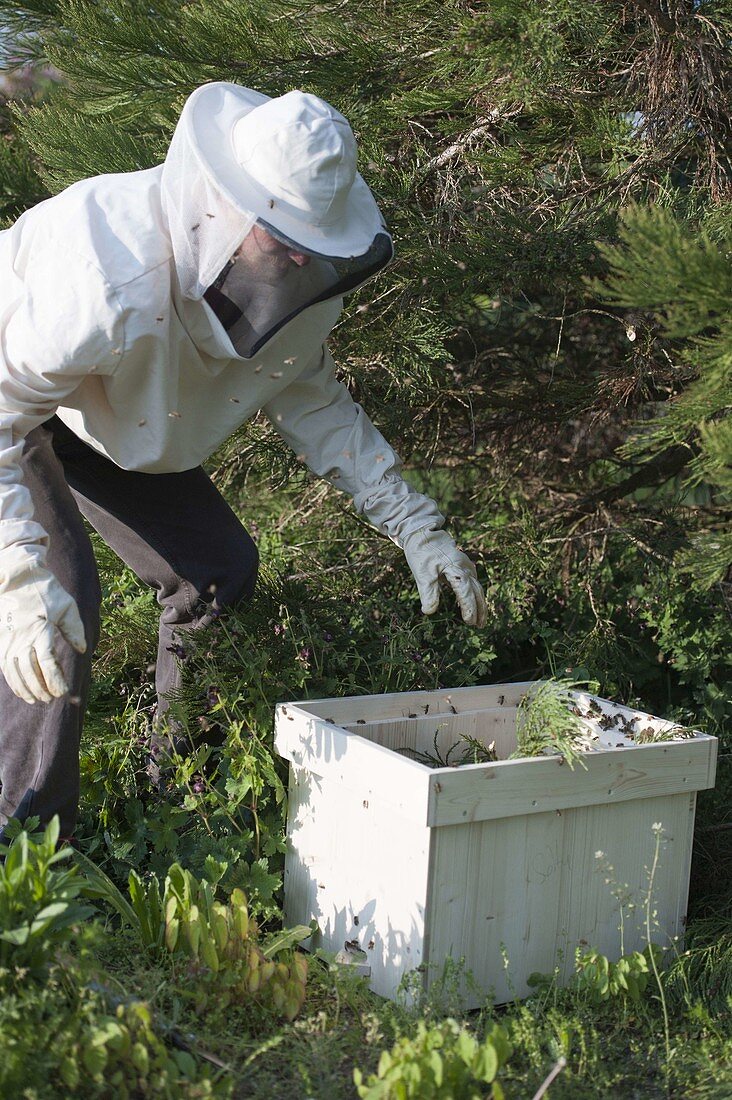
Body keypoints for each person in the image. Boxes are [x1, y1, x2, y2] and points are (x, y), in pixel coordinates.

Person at [0, 82, 486, 840]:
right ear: (222, 201)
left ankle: (172, 804)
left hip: (118, 411)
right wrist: (16, 581)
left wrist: (415, 522)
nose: (297, 254)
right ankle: (27, 854)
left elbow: (315, 399)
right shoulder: (103, 270)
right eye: (280, 233)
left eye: (310, 240)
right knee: (57, 600)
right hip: (19, 403)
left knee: (216, 568)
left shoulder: (298, 275)